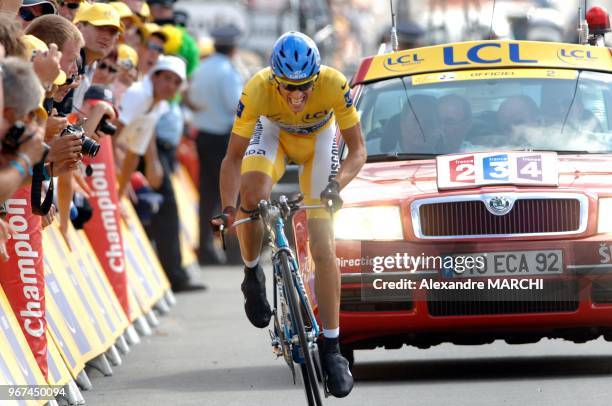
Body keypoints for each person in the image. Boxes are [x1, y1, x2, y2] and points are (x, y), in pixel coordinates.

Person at [211, 31, 366, 398]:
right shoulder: (257, 88)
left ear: (316, 79)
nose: (296, 97)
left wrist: (335, 186)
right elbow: (232, 158)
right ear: (274, 80)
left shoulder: (333, 84)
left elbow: (358, 151)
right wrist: (230, 209)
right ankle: (251, 274)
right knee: (254, 194)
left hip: (320, 143)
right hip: (274, 136)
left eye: (304, 88)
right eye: (288, 88)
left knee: (323, 247)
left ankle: (332, 349)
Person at [188, 24, 243, 266]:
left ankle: (207, 248)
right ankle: (232, 249)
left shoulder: (202, 68)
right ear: (233, 48)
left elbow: (191, 99)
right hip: (223, 137)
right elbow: (236, 105)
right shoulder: (228, 71)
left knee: (208, 196)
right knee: (231, 195)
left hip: (203, 136)